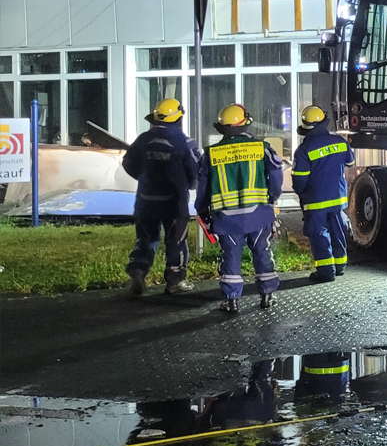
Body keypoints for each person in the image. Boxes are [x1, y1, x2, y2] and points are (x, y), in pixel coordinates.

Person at [196, 104, 283, 313]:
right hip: (258, 215)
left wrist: (202, 210)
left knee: (231, 256)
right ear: (245, 123)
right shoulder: (261, 148)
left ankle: (232, 300)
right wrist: (273, 197)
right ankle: (267, 294)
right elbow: (277, 171)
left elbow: (203, 186)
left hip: (226, 218)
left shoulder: (210, 153)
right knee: (262, 251)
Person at [123, 98, 200, 296]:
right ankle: (175, 281)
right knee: (176, 241)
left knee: (146, 238)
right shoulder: (185, 143)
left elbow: (128, 163)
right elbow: (196, 170)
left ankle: (138, 270)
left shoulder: (143, 140)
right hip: (174, 203)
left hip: (146, 201)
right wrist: (188, 185)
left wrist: (144, 178)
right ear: (178, 118)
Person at [291, 105, 354, 283]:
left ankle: (326, 272)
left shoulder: (304, 150)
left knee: (319, 234)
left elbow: (299, 181)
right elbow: (350, 161)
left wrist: (302, 194)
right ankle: (340, 266)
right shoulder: (340, 142)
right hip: (337, 199)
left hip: (315, 201)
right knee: (337, 231)